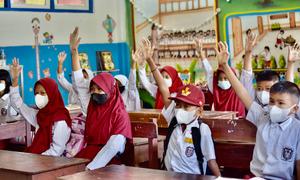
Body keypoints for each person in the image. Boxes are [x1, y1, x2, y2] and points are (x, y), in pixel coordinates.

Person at [216, 41, 300, 179]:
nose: (274, 106)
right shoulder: (262, 116)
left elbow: (290, 94)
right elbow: (242, 92)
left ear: (294, 109)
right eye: (272, 102)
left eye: (280, 103)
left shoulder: (297, 128)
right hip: (257, 177)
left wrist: (291, 65)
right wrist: (225, 66)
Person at [141, 39, 220, 176]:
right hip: (168, 175)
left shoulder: (202, 131)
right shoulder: (174, 119)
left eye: (186, 106)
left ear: (199, 111)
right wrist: (149, 60)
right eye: (178, 105)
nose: (180, 109)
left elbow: (211, 161)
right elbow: (164, 88)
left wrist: (220, 178)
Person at [69, 27, 132, 170]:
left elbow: (113, 146)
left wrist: (91, 168)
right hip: (89, 154)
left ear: (111, 91)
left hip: (108, 161)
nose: (95, 93)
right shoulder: (92, 106)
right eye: (93, 89)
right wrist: (74, 53)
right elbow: (79, 82)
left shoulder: (120, 114)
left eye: (100, 89)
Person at [10, 59, 71, 156]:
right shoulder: (40, 115)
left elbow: (56, 151)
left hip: (51, 162)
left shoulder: (60, 120)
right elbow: (18, 105)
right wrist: (15, 81)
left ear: (52, 94)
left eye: (43, 93)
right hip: (37, 158)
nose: (38, 96)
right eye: (36, 93)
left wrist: (36, 160)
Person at [195, 39, 245, 117]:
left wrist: (224, 64)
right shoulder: (215, 90)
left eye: (226, 78)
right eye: (220, 79)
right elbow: (208, 71)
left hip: (239, 126)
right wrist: (200, 53)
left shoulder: (239, 90)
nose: (223, 81)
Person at [138, 39, 183, 109]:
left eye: (167, 77)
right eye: (162, 77)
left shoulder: (180, 94)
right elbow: (146, 83)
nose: (163, 79)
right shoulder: (157, 90)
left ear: (174, 79)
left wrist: (149, 59)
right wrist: (141, 66)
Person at [241, 33, 279, 110]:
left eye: (268, 89)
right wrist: (248, 53)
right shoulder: (254, 103)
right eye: (259, 88)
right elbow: (247, 76)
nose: (263, 93)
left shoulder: (282, 107)